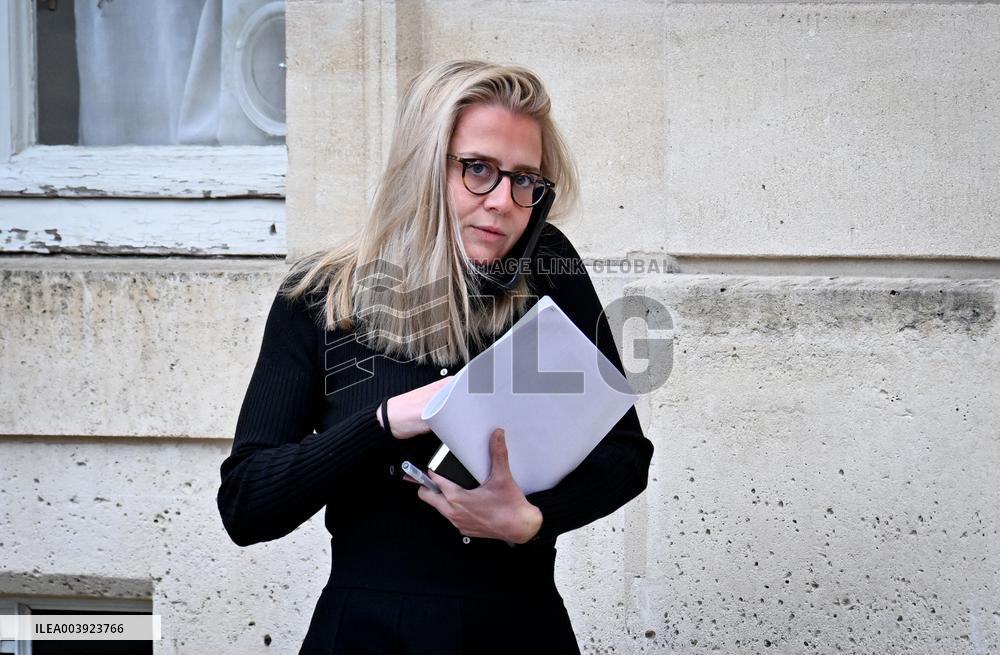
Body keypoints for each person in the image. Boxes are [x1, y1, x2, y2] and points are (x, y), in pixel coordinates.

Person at [217, 60, 654, 654]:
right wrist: (388, 421)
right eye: (478, 169)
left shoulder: (547, 272)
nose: (504, 201)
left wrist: (533, 521)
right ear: (424, 167)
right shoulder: (321, 295)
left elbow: (626, 455)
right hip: (369, 631)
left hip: (519, 630)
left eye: (525, 180)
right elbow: (247, 505)